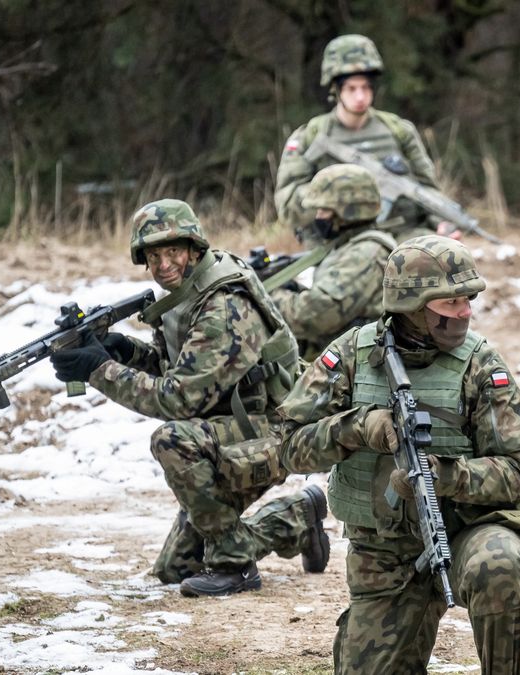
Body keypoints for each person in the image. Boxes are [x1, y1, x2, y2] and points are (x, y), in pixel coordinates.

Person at [276, 235, 520, 674]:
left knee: (499, 563)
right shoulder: (352, 355)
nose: (466, 312)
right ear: (412, 306)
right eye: (451, 302)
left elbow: (517, 469)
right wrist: (358, 428)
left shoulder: (479, 364)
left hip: (465, 529)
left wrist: (446, 476)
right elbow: (289, 446)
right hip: (383, 553)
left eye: (468, 299)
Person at [48, 198, 330, 597]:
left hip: (279, 430)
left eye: (173, 252)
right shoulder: (186, 296)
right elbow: (176, 370)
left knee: (172, 439)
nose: (164, 265)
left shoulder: (223, 306)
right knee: (175, 568)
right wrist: (119, 350)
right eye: (154, 255)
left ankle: (236, 568)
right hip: (240, 428)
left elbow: (179, 400)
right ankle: (299, 516)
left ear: (194, 249)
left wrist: (99, 370)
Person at [274, 33, 443, 243]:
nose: (360, 97)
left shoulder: (399, 131)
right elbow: (287, 207)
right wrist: (340, 195)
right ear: (335, 89)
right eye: (351, 88)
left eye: (366, 87)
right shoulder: (310, 136)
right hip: (339, 244)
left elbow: (428, 190)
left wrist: (441, 223)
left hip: (402, 237)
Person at [270, 163, 395, 360]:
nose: (318, 217)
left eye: (323, 210)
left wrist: (270, 296)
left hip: (352, 368)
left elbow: (315, 316)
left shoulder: (365, 253)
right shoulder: (347, 246)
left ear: (346, 211)